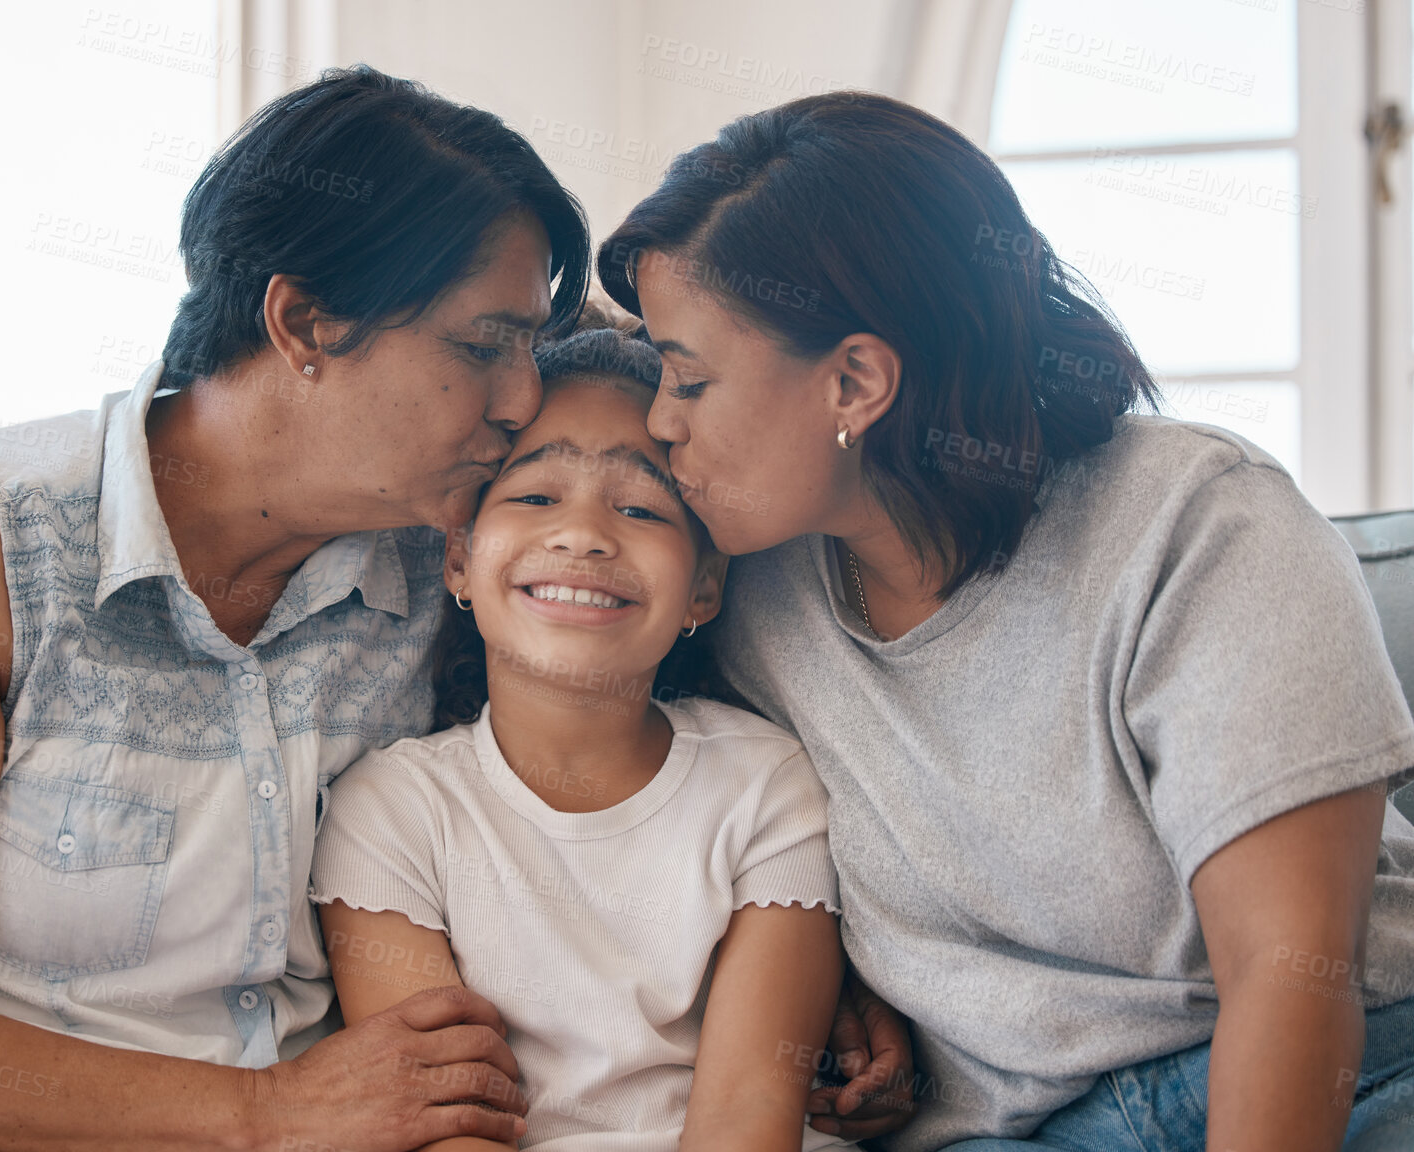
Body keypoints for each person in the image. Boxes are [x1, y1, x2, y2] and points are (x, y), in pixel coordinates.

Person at [0, 65, 592, 1152]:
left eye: (531, 348)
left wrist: (798, 969)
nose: (519, 402)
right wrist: (264, 1113)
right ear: (304, 322)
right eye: (481, 347)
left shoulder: (454, 562)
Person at [596, 91, 1414, 1152]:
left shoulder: (1197, 522)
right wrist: (845, 983)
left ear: (855, 381)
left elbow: (1293, 975)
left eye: (689, 378)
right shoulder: (746, 591)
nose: (661, 420)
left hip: (1335, 1077)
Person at [310, 320, 851, 1151]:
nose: (584, 535)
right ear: (458, 557)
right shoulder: (391, 808)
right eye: (534, 497)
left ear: (704, 586)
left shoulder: (763, 780)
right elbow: (436, 1121)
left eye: (639, 508)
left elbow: (749, 1111)